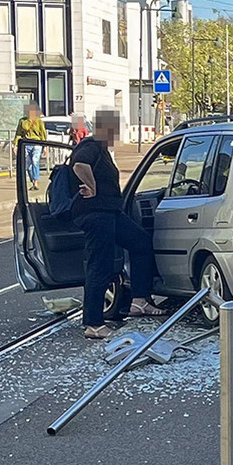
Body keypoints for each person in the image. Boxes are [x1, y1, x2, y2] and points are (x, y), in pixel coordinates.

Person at [71, 109, 165, 339]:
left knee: (140, 242)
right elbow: (79, 165)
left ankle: (139, 300)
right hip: (96, 214)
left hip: (110, 212)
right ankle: (93, 323)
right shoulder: (91, 146)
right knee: (100, 265)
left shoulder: (103, 149)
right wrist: (91, 186)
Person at [14, 104, 47, 190]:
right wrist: (16, 145)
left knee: (35, 161)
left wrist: (45, 146)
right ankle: (33, 181)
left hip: (37, 143)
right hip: (26, 144)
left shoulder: (39, 121)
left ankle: (36, 181)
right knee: (28, 165)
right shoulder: (22, 121)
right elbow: (18, 134)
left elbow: (43, 134)